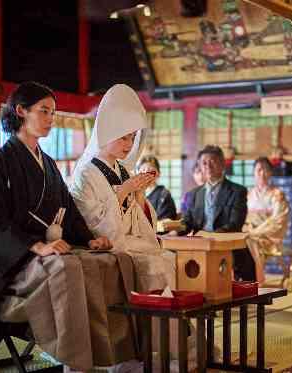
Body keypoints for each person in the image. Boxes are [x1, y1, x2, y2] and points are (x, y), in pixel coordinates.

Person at [0, 81, 136, 373]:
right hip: (14, 265)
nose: (51, 119)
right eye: (44, 111)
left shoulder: (48, 164)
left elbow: (68, 212)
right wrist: (35, 246)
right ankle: (75, 361)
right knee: (67, 268)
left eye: (53, 112)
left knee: (114, 261)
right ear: (21, 111)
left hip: (50, 251)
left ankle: (117, 354)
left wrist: (90, 240)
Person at [69, 84, 197, 365]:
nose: (128, 145)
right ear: (106, 134)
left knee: (167, 258)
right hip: (108, 241)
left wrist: (137, 195)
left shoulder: (122, 168)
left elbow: (140, 218)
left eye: (131, 138)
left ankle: (176, 344)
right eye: (123, 138)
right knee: (154, 265)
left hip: (129, 238)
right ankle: (159, 349)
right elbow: (92, 222)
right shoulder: (84, 172)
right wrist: (124, 192)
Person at [180, 144, 256, 281]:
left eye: (212, 161)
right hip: (200, 246)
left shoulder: (237, 191)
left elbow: (235, 223)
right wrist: (174, 230)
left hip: (228, 245)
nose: (208, 166)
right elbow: (188, 222)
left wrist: (212, 236)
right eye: (204, 163)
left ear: (222, 164)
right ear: (200, 167)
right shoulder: (194, 194)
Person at [243, 157, 290, 284]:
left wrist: (255, 232)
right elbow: (242, 218)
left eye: (265, 170)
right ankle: (238, 280)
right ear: (253, 173)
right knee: (237, 241)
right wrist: (248, 230)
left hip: (268, 237)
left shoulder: (277, 195)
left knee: (249, 241)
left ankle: (254, 280)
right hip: (249, 233)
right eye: (259, 170)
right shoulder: (248, 194)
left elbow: (279, 220)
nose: (262, 173)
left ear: (270, 173)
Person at [137, 155, 177, 221]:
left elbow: (166, 219)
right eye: (143, 170)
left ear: (158, 174)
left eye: (150, 171)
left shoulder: (164, 194)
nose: (146, 174)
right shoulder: (134, 193)